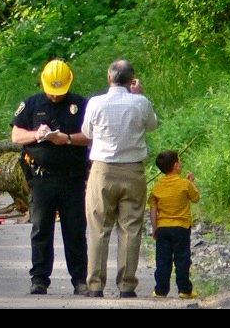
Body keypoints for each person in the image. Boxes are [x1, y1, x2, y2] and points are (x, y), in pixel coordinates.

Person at [11, 59, 90, 296]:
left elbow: (91, 136)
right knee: (40, 228)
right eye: (52, 92)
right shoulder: (31, 104)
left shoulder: (80, 104)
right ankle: (39, 279)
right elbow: (16, 135)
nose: (55, 97)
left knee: (75, 229)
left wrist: (65, 138)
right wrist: (37, 135)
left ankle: (80, 279)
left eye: (60, 93)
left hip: (72, 178)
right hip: (41, 178)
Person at [81, 58, 158, 297]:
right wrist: (136, 95)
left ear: (109, 78)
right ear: (130, 79)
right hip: (133, 170)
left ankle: (95, 285)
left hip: (103, 169)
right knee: (131, 228)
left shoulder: (95, 102)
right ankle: (126, 285)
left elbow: (86, 132)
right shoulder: (141, 102)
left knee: (98, 228)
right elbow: (152, 125)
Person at [149, 150, 200, 299]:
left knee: (163, 260)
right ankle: (184, 289)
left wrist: (154, 228)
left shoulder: (157, 186)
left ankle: (160, 290)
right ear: (176, 165)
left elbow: (153, 209)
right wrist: (191, 183)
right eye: (180, 161)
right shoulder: (184, 184)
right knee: (182, 258)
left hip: (163, 228)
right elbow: (195, 198)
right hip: (181, 228)